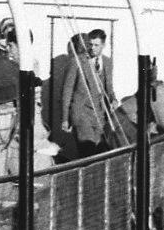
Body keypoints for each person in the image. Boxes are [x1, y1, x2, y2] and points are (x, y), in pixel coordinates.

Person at [49, 28, 123, 159]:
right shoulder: (77, 61)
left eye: (96, 45)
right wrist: (65, 118)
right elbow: (67, 90)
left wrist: (113, 99)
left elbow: (109, 87)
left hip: (99, 115)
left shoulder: (107, 62)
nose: (92, 48)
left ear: (103, 45)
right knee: (87, 150)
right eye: (90, 45)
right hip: (81, 112)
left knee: (100, 151)